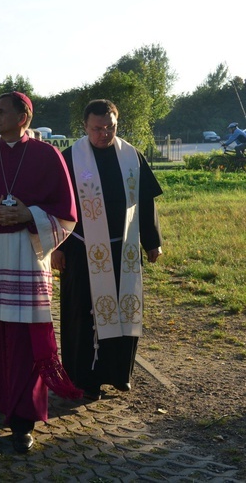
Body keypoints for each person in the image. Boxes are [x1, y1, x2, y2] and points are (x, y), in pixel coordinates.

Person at [0, 92, 81, 453]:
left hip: (26, 255)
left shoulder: (46, 155)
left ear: (24, 116)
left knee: (24, 339)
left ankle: (23, 418)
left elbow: (67, 212)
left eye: (2, 111)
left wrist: (28, 215)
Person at [51, 99, 163, 401]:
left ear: (117, 123)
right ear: (85, 127)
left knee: (123, 313)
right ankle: (84, 379)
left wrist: (152, 241)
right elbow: (57, 206)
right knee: (83, 316)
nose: (104, 133)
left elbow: (145, 201)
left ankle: (118, 374)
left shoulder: (131, 157)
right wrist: (55, 248)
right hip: (80, 250)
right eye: (97, 128)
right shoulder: (70, 158)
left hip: (123, 249)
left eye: (109, 127)